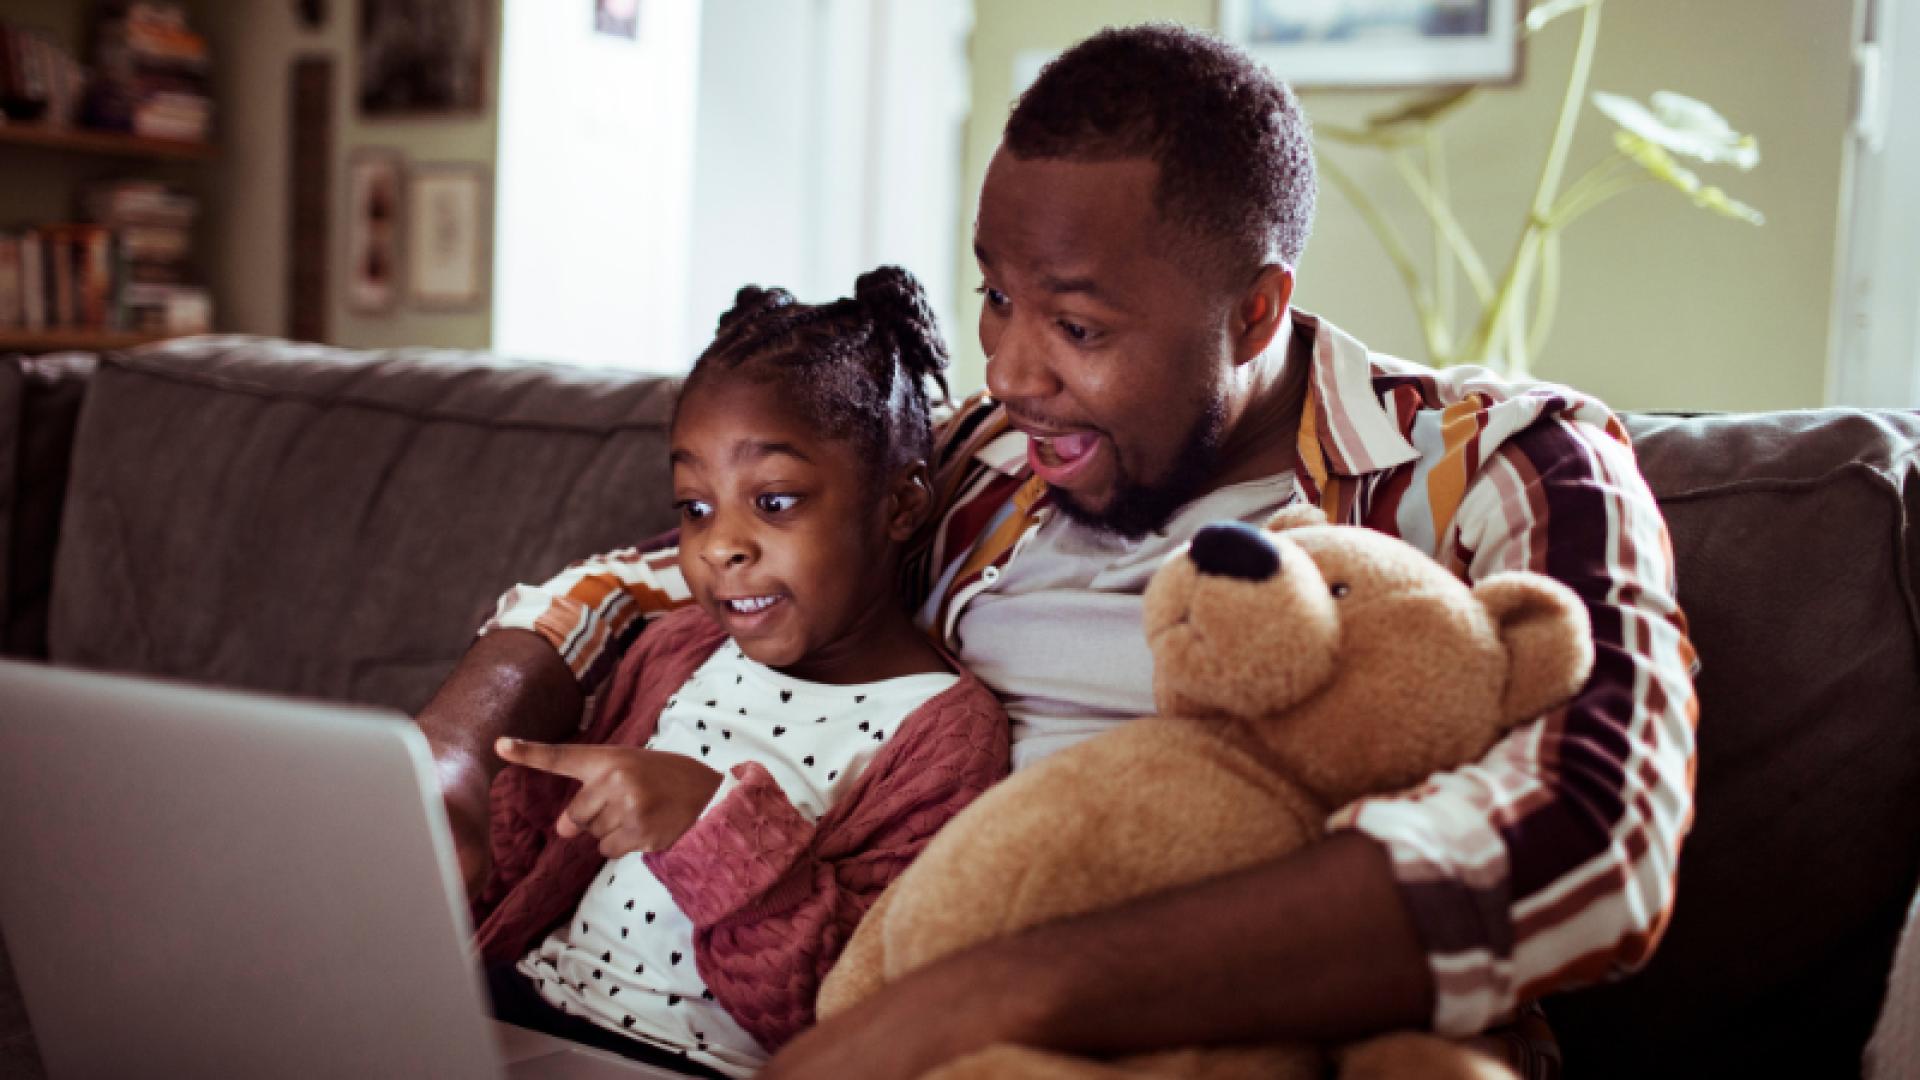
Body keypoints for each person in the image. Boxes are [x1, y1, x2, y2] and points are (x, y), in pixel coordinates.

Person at [417, 24, 1696, 1080]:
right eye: (996, 298)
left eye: (1077, 325)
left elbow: (1598, 833)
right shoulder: (978, 459)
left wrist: (1000, 995)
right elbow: (664, 576)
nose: (1011, 371)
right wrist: (461, 757)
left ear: (1256, 308)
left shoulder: (1502, 464)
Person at [462, 268, 1010, 1078]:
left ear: (900, 504)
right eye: (694, 506)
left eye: (776, 501)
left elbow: (843, 1009)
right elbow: (543, 861)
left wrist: (711, 827)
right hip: (527, 1012)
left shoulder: (945, 738)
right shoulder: (679, 649)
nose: (720, 547)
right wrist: (482, 825)